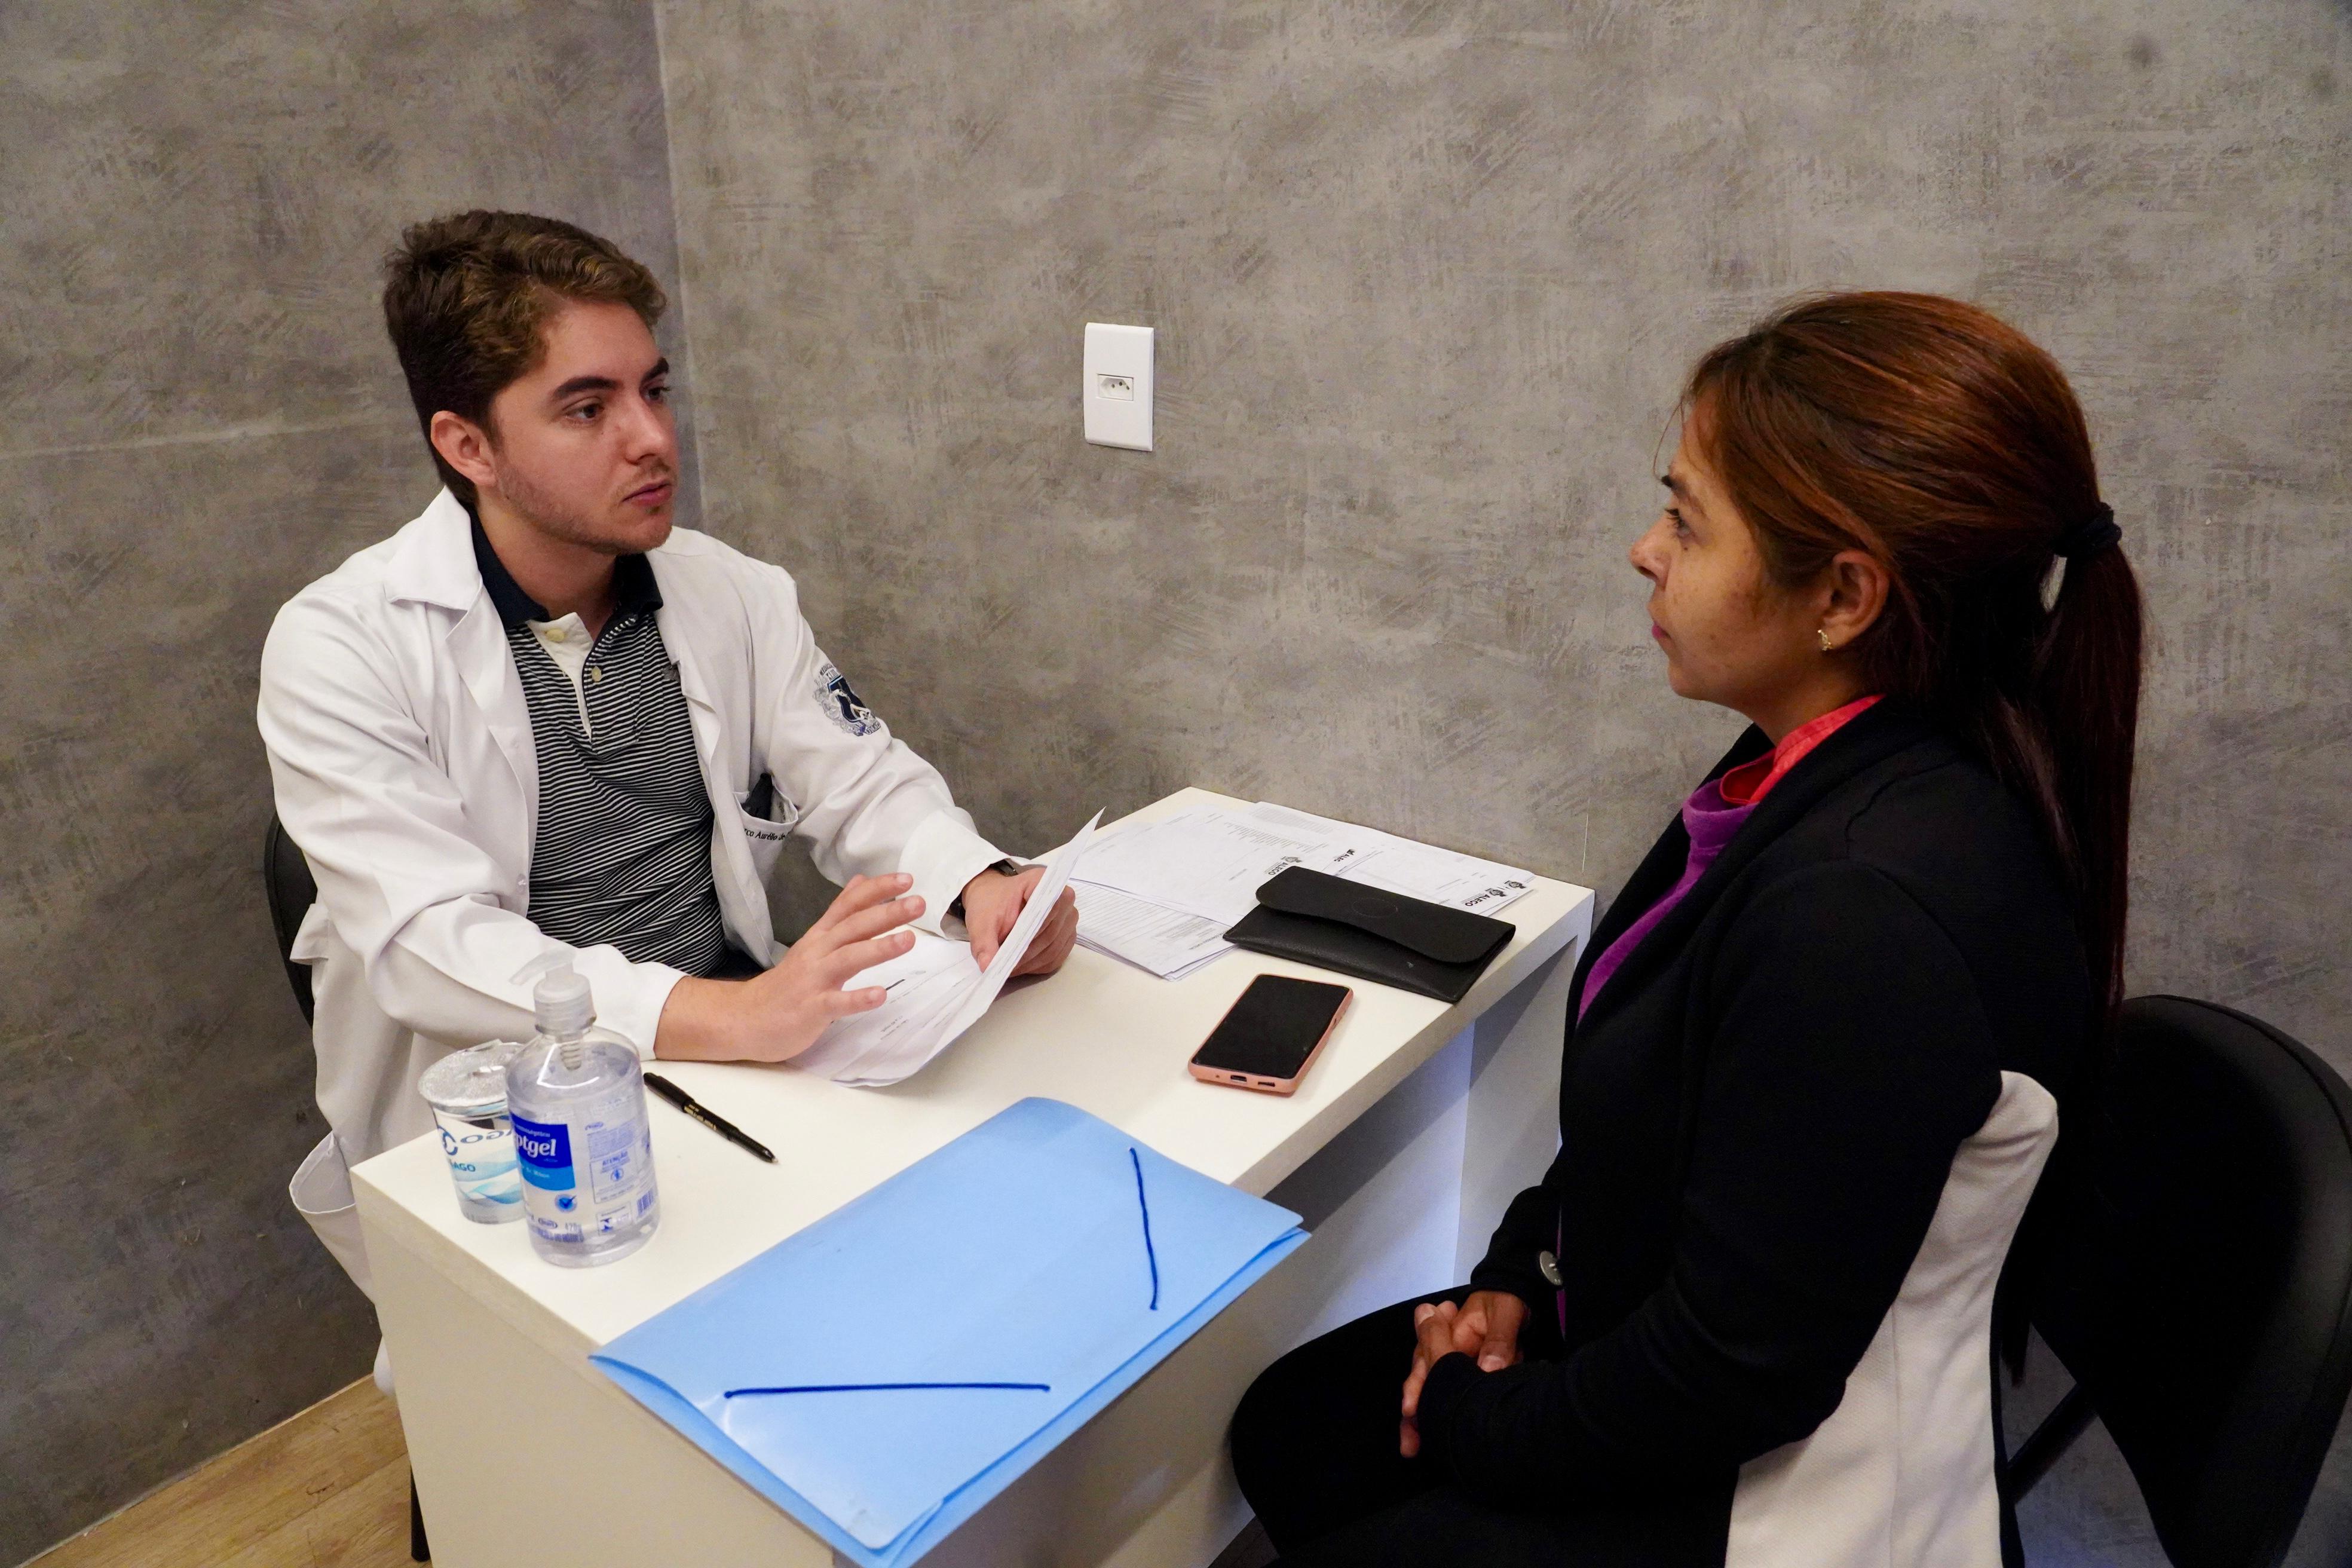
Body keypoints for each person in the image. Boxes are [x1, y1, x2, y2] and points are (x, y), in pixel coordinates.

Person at [1228, 292, 2144, 1568]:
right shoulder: (1816, 766)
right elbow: (1653, 1113)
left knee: (1363, 1458)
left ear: (1843, 597)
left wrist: (1482, 1416)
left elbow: (1733, 1373)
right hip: (1679, 1320)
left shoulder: (1862, 914)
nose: (1643, 550)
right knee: (1299, 1425)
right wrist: (1516, 1273)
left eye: (1687, 521)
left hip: (1771, 1490)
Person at [259, 211, 1077, 1299]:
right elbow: (425, 945)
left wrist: (982, 885)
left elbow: (859, 776)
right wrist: (729, 1017)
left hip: (736, 1065)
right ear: (468, 447)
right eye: (588, 408)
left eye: (654, 389)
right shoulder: (343, 645)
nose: (650, 439)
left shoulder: (729, 590)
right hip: (518, 1125)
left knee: (984, 1241)